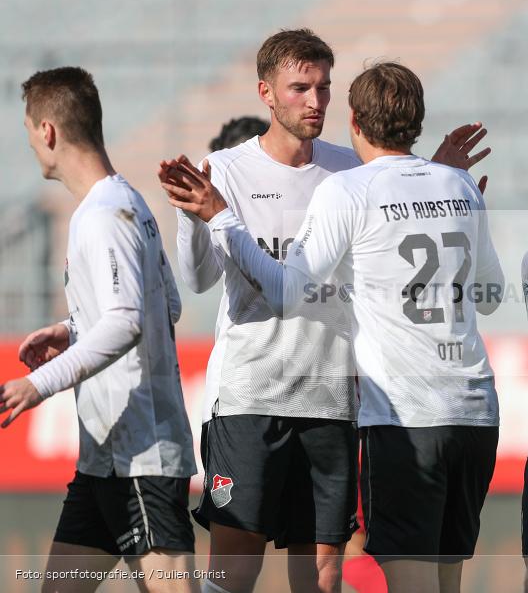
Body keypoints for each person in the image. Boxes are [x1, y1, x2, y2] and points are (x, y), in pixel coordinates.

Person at [160, 29, 490, 593]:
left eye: (324, 87)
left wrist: (433, 175)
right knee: (234, 570)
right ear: (266, 92)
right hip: (250, 394)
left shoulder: (348, 170)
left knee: (322, 575)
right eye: (300, 88)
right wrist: (197, 216)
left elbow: (394, 200)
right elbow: (195, 280)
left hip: (334, 399)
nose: (315, 101)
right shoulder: (226, 169)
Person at [1, 66, 196, 593]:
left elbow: (129, 320)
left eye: (28, 130)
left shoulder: (103, 215)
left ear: (47, 132)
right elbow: (166, 305)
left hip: (141, 460)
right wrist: (73, 327)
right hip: (105, 459)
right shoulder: (126, 202)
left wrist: (38, 384)